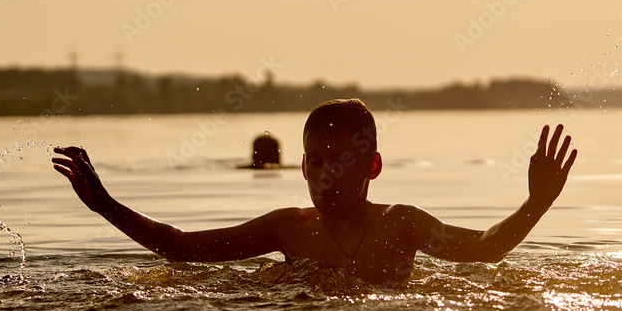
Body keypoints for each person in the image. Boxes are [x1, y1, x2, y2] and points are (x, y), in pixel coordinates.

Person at [52, 99, 576, 286]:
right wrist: (105, 204)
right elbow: (185, 249)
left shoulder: (402, 225)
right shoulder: (289, 228)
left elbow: (484, 249)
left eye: (343, 163)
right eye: (317, 162)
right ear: (301, 164)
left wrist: (537, 203)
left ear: (372, 166)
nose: (326, 176)